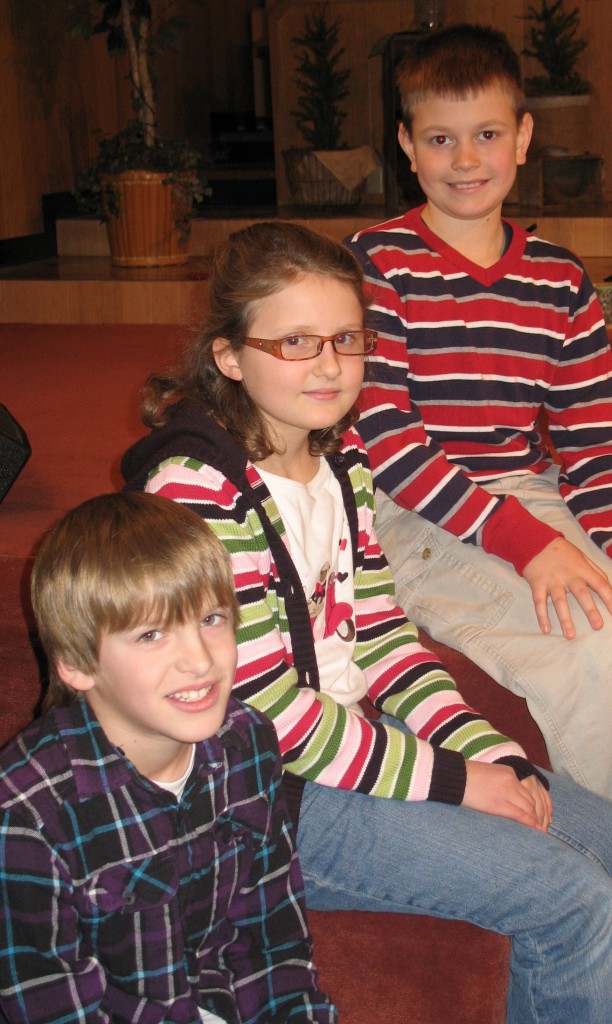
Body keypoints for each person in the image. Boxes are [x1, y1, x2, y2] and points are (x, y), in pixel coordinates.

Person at [122, 220, 612, 1024]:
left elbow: (383, 636)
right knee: (574, 901)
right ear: (231, 357)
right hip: (255, 801)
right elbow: (263, 710)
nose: (329, 366)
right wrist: (456, 783)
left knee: (592, 828)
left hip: (338, 749)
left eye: (346, 339)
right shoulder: (197, 496)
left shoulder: (343, 459)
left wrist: (490, 754)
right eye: (296, 343)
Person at [344, 22, 612, 799]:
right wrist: (528, 544)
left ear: (523, 137)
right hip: (405, 511)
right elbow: (386, 441)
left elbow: (593, 452)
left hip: (521, 496)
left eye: (487, 134)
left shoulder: (561, 281)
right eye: (440, 138)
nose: (465, 161)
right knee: (585, 647)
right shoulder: (377, 263)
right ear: (406, 143)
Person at [0, 491, 337, 1024]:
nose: (200, 661)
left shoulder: (247, 744)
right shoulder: (28, 815)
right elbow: (48, 1004)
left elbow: (273, 940)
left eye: (211, 619)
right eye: (152, 634)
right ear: (77, 664)